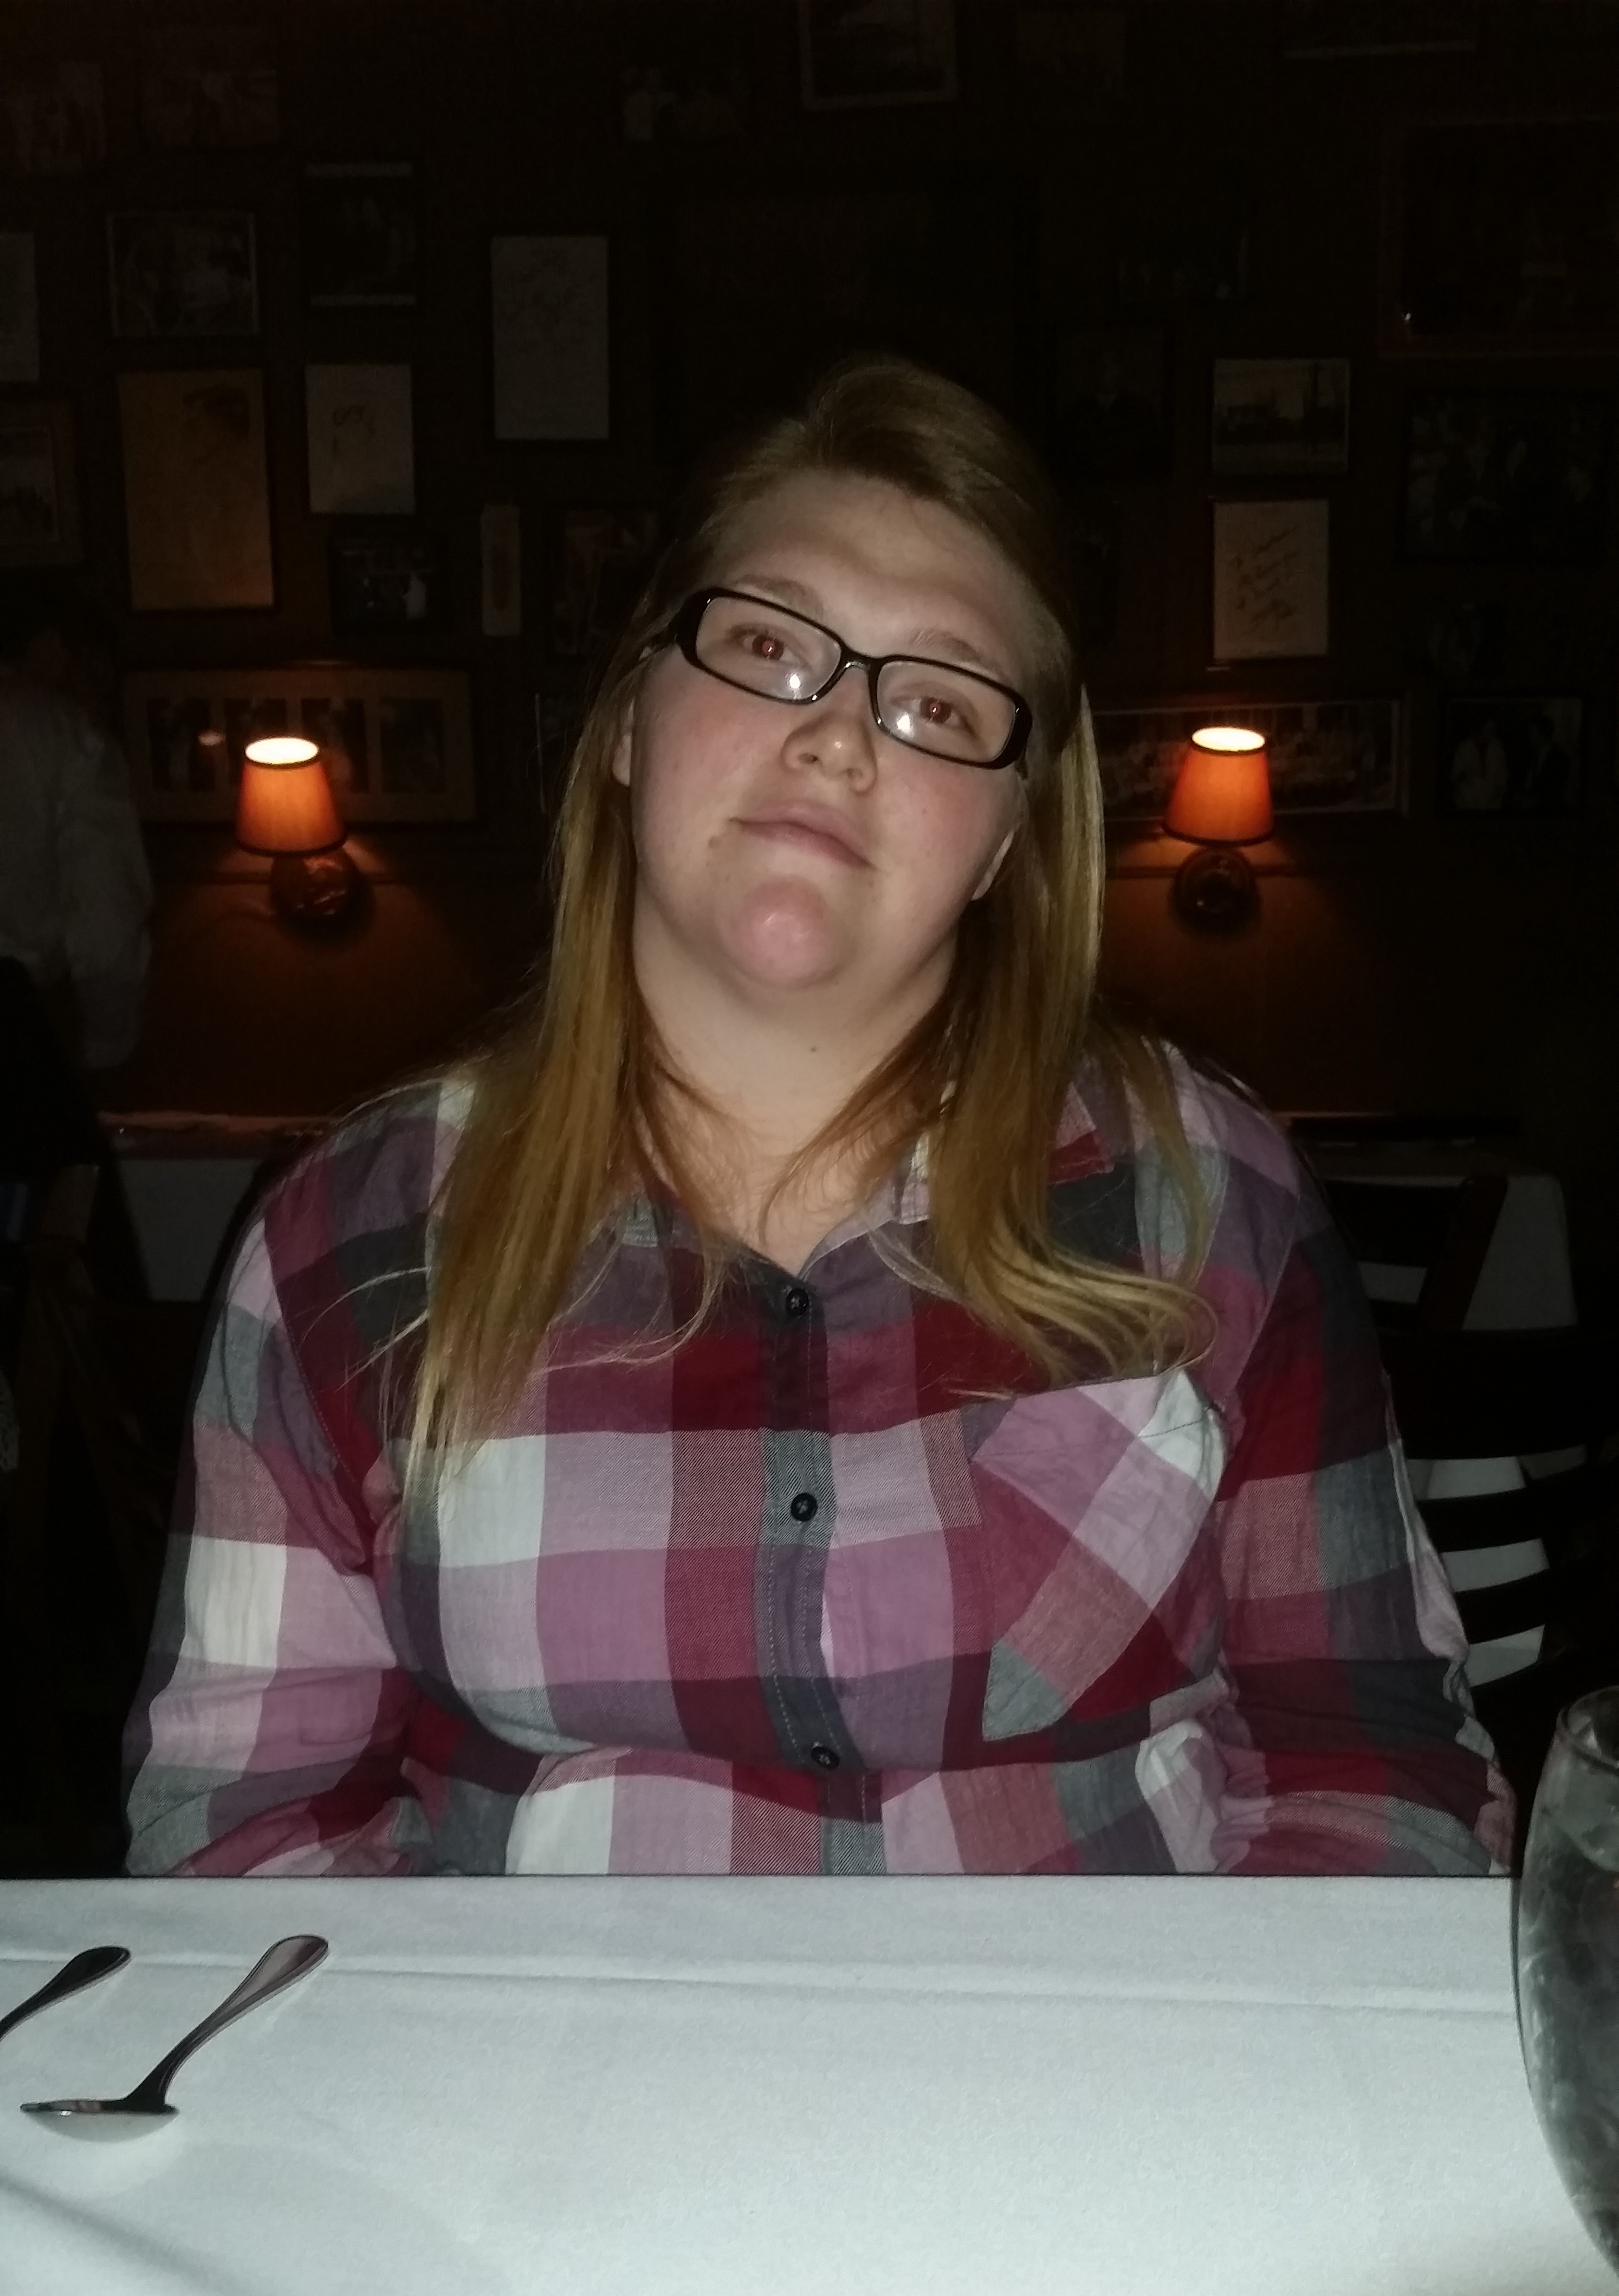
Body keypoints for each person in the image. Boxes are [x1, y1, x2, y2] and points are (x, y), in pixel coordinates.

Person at [125, 358, 1511, 1878]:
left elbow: (1372, 1762)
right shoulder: (345, 1236)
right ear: (629, 721)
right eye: (771, 645)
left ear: (1003, 843)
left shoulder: (1208, 1194)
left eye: (935, 703)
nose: (841, 737)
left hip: (1111, 2036)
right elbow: (243, 1834)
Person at [0, 575, 153, 1072]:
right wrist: (107, 1051)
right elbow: (105, 926)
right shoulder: (68, 735)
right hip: (21, 1016)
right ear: (54, 646)